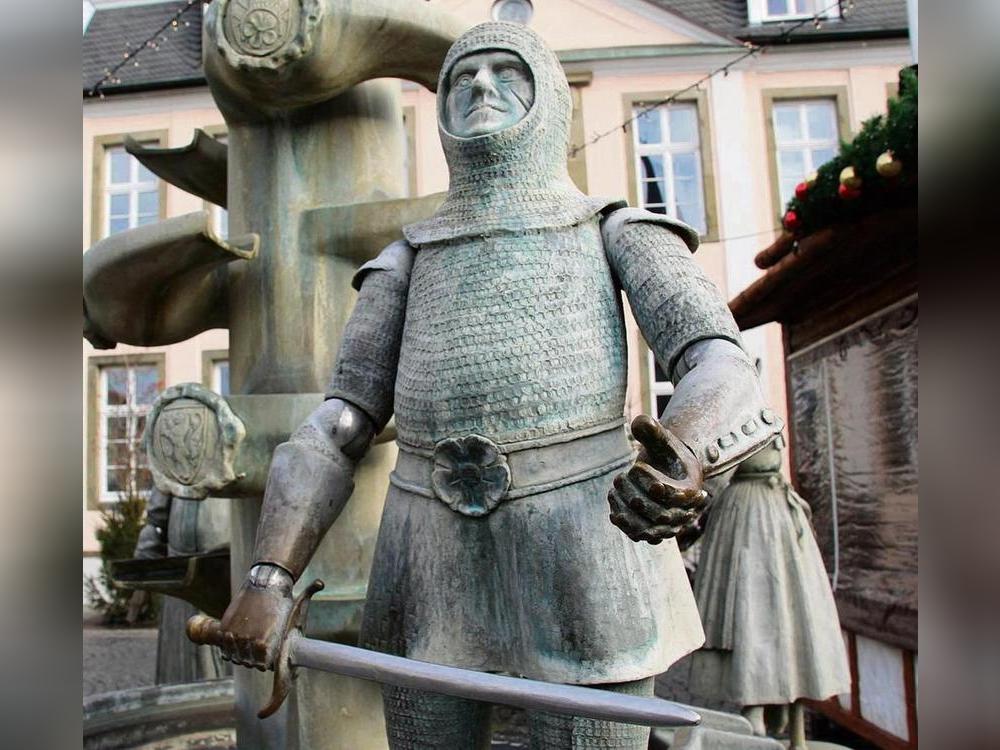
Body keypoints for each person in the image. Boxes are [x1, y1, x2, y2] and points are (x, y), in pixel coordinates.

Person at [211, 22, 781, 749]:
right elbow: (340, 425)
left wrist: (687, 449)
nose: (480, 86)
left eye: (504, 71)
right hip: (427, 561)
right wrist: (268, 577)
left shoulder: (613, 229)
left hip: (588, 544)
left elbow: (719, 359)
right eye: (460, 76)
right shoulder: (408, 258)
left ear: (549, 98)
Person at [690, 437, 850, 748]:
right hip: (765, 513)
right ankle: (767, 722)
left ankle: (770, 724)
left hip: (759, 513)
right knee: (759, 611)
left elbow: (718, 475)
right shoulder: (756, 417)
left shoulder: (747, 419)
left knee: (769, 612)